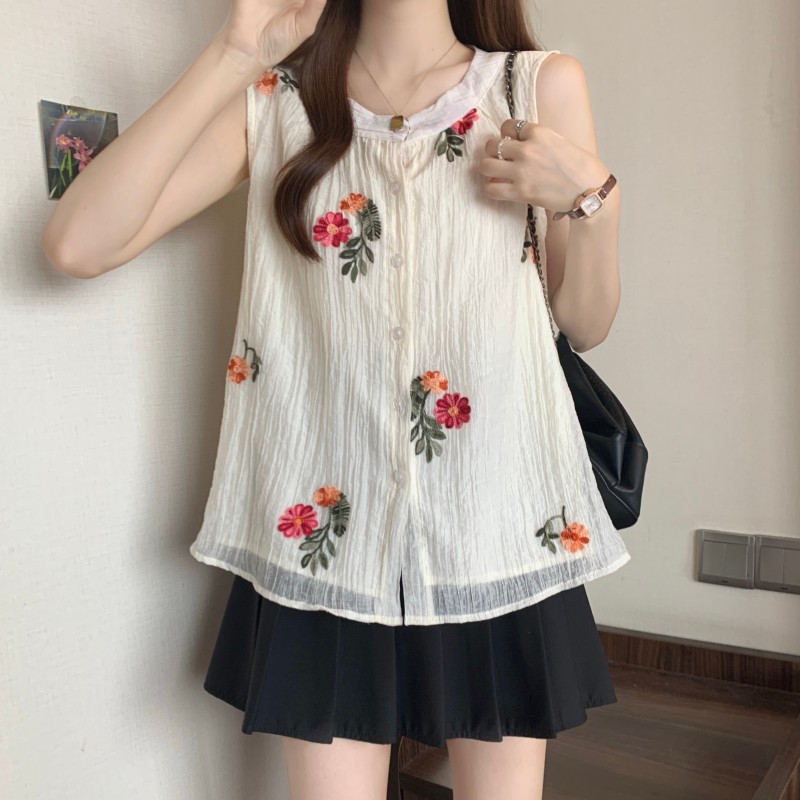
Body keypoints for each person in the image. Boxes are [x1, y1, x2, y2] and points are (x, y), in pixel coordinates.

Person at [42, 1, 630, 798]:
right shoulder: (276, 105)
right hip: (323, 541)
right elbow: (77, 244)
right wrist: (234, 52)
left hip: (497, 524)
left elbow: (585, 323)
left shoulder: (533, 87)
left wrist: (594, 202)